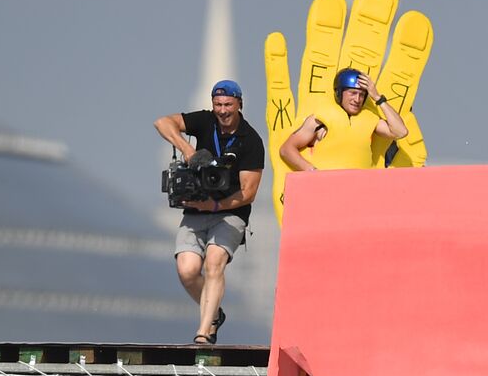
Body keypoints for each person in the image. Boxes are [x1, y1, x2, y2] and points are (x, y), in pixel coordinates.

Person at [154, 80, 266, 344]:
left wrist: (215, 205)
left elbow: (248, 193)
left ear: (240, 104)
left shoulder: (250, 140)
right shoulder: (205, 122)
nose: (223, 110)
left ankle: (204, 331)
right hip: (195, 208)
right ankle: (214, 311)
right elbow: (162, 122)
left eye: (228, 104)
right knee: (187, 270)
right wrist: (190, 152)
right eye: (218, 105)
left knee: (214, 262)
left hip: (230, 210)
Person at [279, 68, 408, 172]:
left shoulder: (370, 118)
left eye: (362, 95)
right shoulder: (319, 120)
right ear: (339, 93)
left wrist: (377, 97)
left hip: (361, 191)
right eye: (352, 93)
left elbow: (401, 132)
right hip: (328, 191)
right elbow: (286, 149)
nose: (357, 99)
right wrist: (311, 171)